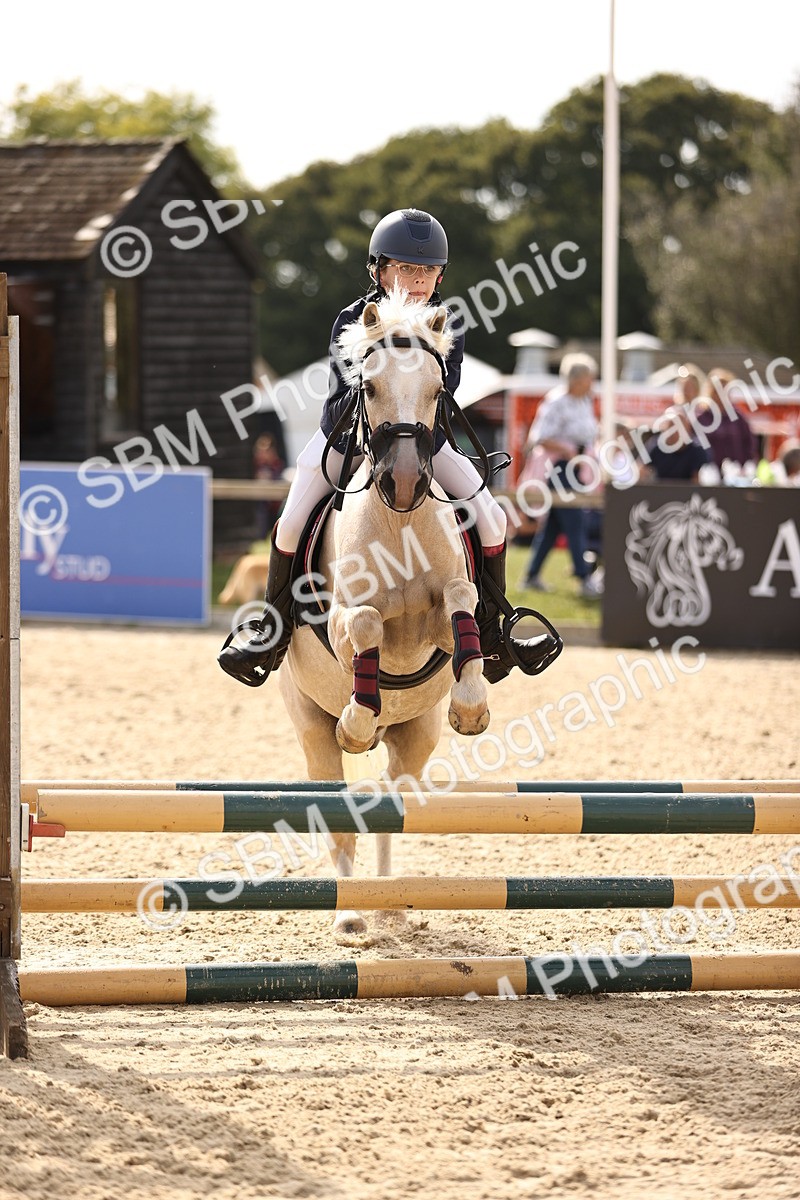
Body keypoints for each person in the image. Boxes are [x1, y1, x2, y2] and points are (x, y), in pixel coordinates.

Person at [218, 207, 556, 687]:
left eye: (427, 271)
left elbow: (444, 394)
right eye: (405, 268)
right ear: (379, 269)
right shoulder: (355, 319)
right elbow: (340, 396)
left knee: (493, 517)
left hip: (423, 443)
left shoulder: (446, 324)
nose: (417, 280)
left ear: (440, 276)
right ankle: (270, 632)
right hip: (350, 437)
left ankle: (494, 631)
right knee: (290, 522)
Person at [520, 353, 604, 599]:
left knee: (554, 526)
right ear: (576, 379)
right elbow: (540, 437)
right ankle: (584, 577)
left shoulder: (584, 401)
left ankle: (531, 576)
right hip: (559, 468)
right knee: (575, 520)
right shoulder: (556, 401)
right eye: (589, 378)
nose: (592, 382)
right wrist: (567, 449)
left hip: (576, 467)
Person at [696, 368, 759, 470]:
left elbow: (750, 445)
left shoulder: (738, 419)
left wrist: (747, 466)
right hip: (708, 473)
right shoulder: (700, 418)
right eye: (717, 390)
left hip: (736, 473)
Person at [643, 404, 710, 482]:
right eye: (672, 425)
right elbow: (642, 471)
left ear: (688, 429)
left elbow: (699, 480)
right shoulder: (655, 446)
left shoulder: (698, 450)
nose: (675, 431)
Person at [252, 433, 286, 539]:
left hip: (277, 503)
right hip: (264, 503)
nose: (262, 454)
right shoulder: (258, 466)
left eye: (266, 451)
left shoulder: (278, 465)